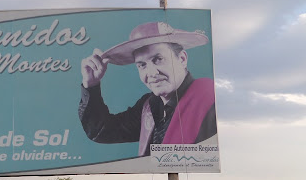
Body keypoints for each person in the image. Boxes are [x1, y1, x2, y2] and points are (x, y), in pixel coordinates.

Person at [78, 21, 217, 156]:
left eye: (158, 59)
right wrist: (91, 84)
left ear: (182, 59)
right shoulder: (150, 105)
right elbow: (101, 131)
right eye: (142, 65)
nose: (151, 73)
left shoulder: (210, 101)